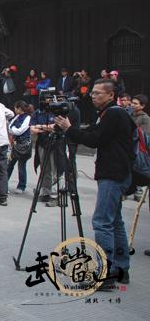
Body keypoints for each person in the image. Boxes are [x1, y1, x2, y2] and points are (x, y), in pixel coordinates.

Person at [55, 78, 135, 288]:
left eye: (99, 93)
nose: (93, 96)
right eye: (92, 93)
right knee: (115, 221)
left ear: (111, 95)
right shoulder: (108, 114)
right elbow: (91, 132)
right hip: (116, 173)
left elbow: (93, 140)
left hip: (113, 174)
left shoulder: (115, 113)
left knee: (102, 222)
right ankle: (120, 269)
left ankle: (106, 274)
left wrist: (68, 129)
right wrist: (67, 128)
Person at [7, 101, 32, 193]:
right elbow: (9, 127)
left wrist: (13, 130)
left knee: (21, 165)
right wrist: (13, 130)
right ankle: (4, 183)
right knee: (9, 164)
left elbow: (20, 130)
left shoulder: (28, 118)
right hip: (15, 143)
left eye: (16, 108)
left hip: (23, 144)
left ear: (20, 108)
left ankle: (21, 186)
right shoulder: (16, 117)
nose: (15, 110)